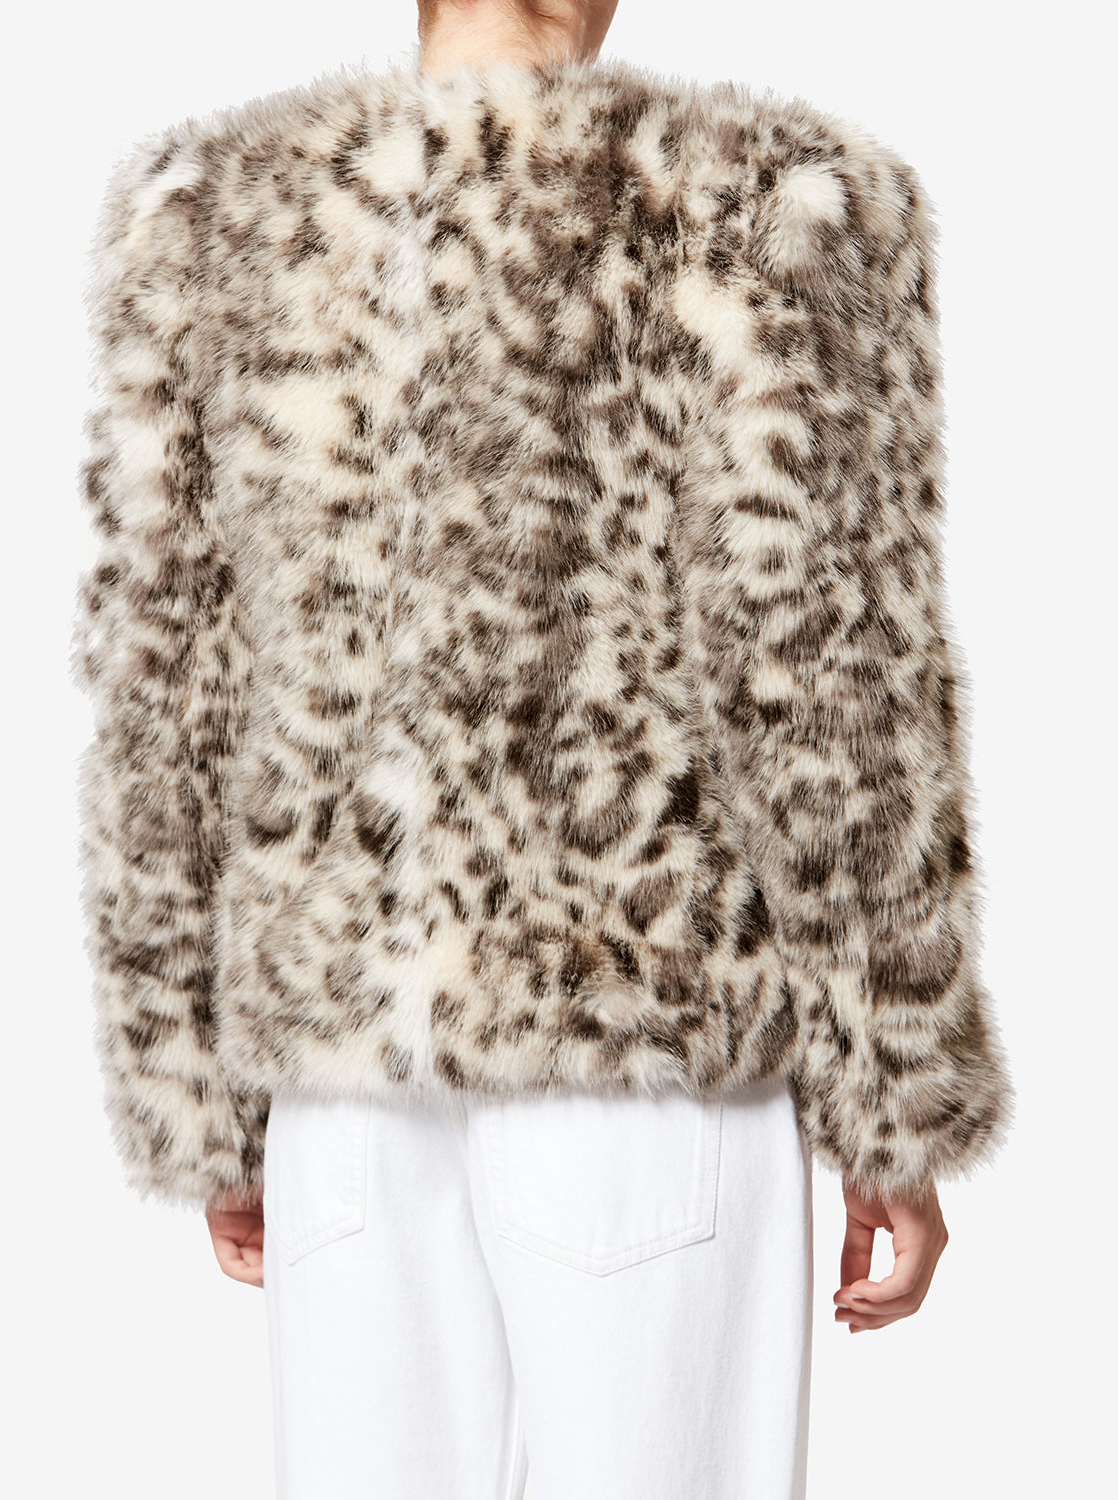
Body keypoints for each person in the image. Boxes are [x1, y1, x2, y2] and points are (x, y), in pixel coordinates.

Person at [71, 1, 1016, 1495]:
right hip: (644, 1055)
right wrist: (894, 1098)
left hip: (345, 1095)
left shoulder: (208, 219)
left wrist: (199, 1099)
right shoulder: (765, 206)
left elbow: (165, 692)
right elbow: (830, 686)